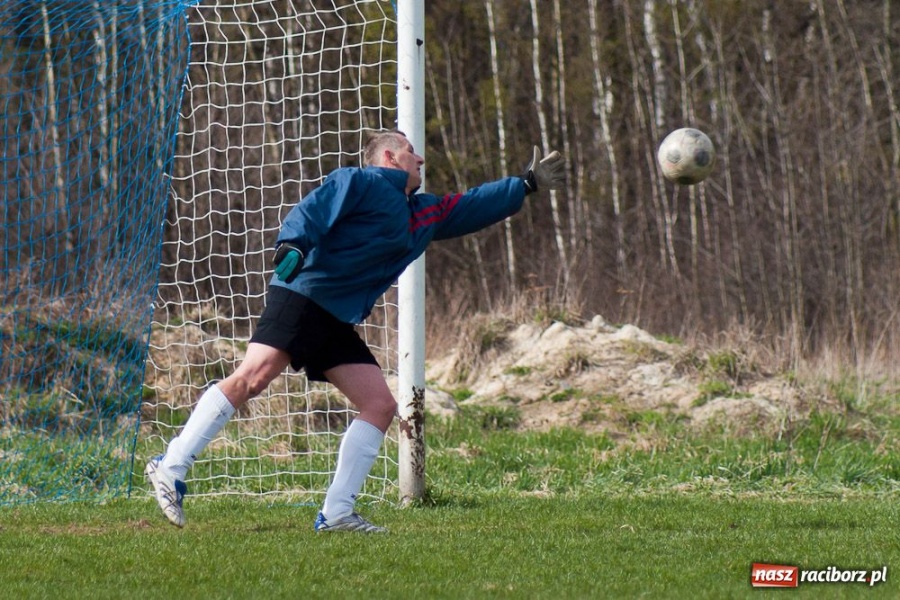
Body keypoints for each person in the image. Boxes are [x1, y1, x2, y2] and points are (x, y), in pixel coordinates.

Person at [146, 130, 565, 532]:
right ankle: (172, 466)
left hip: (335, 318)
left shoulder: (422, 214)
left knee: (380, 406)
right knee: (251, 378)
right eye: (410, 151)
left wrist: (525, 184)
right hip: (304, 296)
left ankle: (337, 512)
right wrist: (292, 244)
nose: (420, 158)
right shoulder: (360, 181)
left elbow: (472, 204)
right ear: (389, 158)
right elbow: (312, 210)